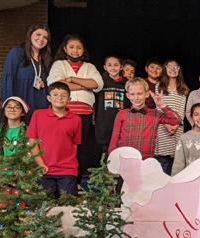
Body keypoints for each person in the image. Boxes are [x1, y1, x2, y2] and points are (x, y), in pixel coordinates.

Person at [48, 34, 103, 181]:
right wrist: (84, 85)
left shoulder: (89, 67)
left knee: (82, 147)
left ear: (83, 50)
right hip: (64, 112)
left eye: (79, 47)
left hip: (84, 114)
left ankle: (77, 180)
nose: (75, 50)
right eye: (71, 47)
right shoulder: (59, 65)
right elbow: (55, 84)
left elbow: (97, 84)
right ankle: (62, 178)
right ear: (65, 49)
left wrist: (72, 80)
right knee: (64, 146)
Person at [27, 82, 81, 198]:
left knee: (69, 206)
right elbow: (32, 142)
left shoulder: (76, 119)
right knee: (45, 206)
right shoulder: (38, 115)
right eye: (55, 95)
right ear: (49, 98)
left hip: (68, 170)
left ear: (69, 99)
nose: (59, 98)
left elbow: (75, 145)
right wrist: (40, 164)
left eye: (63, 95)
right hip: (44, 169)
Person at [108, 77, 181, 160]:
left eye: (139, 93)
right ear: (128, 95)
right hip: (125, 159)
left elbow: (176, 120)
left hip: (146, 161)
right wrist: (112, 160)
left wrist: (162, 105)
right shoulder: (122, 114)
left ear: (147, 94)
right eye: (132, 94)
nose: (136, 98)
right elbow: (114, 140)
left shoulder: (155, 113)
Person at [0, 24, 52, 124]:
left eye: (45, 37)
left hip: (41, 108)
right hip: (21, 108)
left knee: (38, 139)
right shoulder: (17, 53)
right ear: (30, 35)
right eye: (38, 34)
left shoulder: (46, 59)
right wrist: (11, 106)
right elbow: (8, 79)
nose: (41, 39)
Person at [155, 59, 189, 174]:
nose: (173, 69)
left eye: (176, 66)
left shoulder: (183, 89)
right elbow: (158, 109)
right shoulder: (158, 86)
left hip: (177, 128)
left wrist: (175, 125)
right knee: (163, 164)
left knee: (176, 164)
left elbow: (182, 110)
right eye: (169, 66)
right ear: (165, 69)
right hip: (162, 128)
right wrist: (166, 124)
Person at [0, 96, 28, 184]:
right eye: (9, 107)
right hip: (1, 174)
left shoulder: (29, 131)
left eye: (17, 107)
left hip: (22, 175)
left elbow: (30, 157)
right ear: (4, 111)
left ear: (22, 112)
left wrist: (20, 176)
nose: (12, 109)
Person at [95, 55, 130, 154]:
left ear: (121, 67)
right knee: (106, 156)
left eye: (116, 65)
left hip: (121, 126)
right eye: (109, 65)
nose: (113, 68)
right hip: (104, 126)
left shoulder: (126, 83)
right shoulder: (100, 82)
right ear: (105, 67)